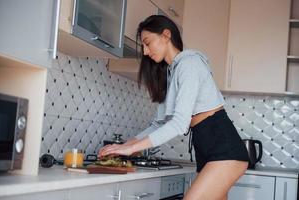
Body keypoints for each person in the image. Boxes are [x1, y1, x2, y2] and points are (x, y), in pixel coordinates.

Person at [99, 15, 249, 200]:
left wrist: (132, 148)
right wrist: (126, 145)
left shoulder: (189, 63)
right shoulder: (171, 73)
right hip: (206, 147)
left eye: (147, 43)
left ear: (166, 35)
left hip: (223, 147)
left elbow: (179, 124)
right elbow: (159, 124)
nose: (145, 52)